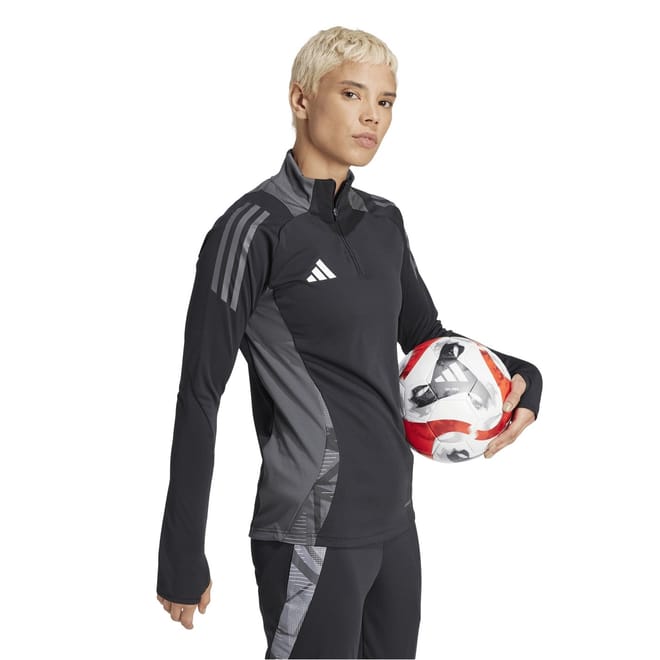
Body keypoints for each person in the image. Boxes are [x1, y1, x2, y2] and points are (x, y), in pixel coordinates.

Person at [156, 25, 542, 659]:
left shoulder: (383, 221)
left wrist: (525, 376)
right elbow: (200, 393)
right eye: (352, 94)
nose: (373, 116)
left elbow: (425, 337)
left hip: (395, 523)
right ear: (301, 99)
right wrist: (180, 551)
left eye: (385, 101)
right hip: (310, 530)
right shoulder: (251, 230)